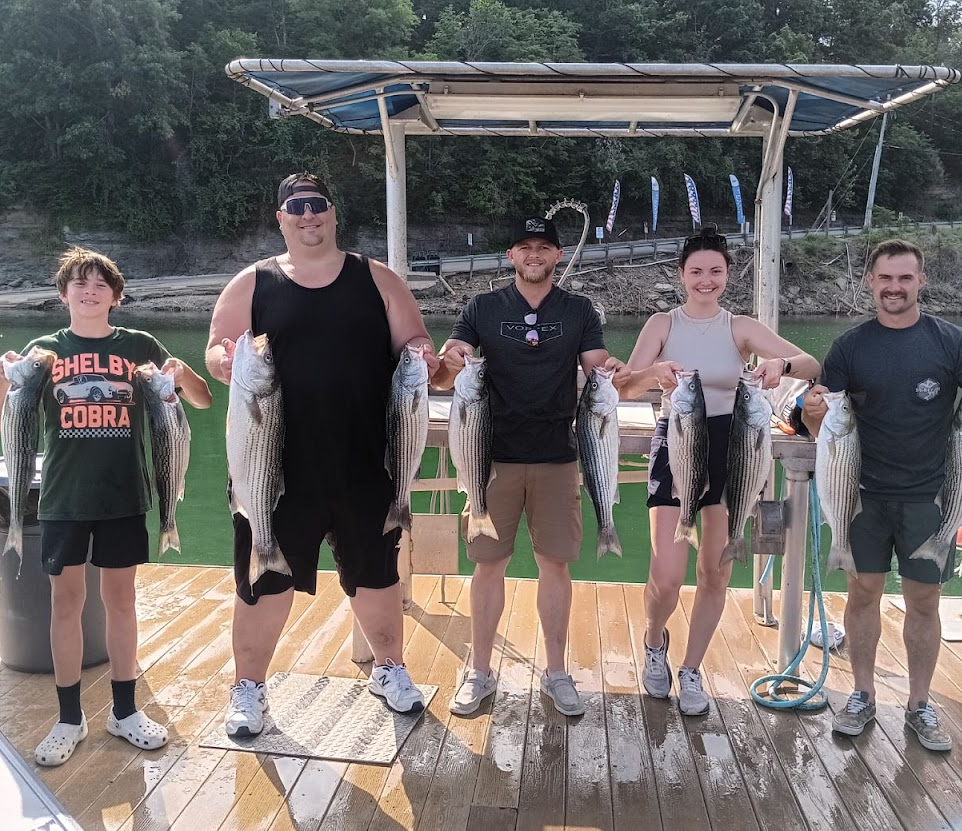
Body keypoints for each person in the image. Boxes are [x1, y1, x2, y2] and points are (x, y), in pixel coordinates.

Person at [205, 172, 439, 735]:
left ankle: (390, 669)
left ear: (334, 214)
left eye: (318, 205)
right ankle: (250, 689)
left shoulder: (375, 277)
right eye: (296, 207)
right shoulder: (252, 283)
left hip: (367, 463)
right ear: (281, 218)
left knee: (377, 575)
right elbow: (218, 346)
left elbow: (414, 339)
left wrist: (423, 353)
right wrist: (220, 358)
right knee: (264, 582)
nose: (308, 215)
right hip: (273, 469)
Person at [0, 247, 212, 766]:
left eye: (100, 284)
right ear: (63, 294)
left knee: (121, 600)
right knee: (66, 604)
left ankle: (124, 711)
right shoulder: (41, 351)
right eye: (78, 284)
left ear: (115, 295)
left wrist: (180, 373)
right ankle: (69, 719)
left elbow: (200, 400)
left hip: (125, 494)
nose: (89, 291)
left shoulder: (139, 345)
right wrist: (0, 374)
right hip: (63, 496)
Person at [801, 237, 962, 752]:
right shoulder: (850, 347)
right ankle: (863, 694)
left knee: (924, 601)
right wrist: (811, 414)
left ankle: (920, 704)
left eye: (905, 278)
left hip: (930, 499)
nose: (894, 287)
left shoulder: (952, 343)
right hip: (861, 497)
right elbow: (822, 426)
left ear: (921, 281)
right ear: (870, 281)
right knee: (862, 595)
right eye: (885, 278)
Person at [617, 226, 820, 716]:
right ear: (681, 275)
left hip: (733, 445)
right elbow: (624, 386)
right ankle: (654, 643)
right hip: (678, 441)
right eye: (696, 271)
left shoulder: (741, 327)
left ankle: (691, 669)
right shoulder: (661, 324)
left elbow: (812, 363)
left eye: (715, 271)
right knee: (666, 574)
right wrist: (652, 375)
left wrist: (781, 367)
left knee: (716, 570)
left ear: (727, 275)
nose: (705, 280)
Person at [432, 215, 629, 719]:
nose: (534, 255)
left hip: (558, 457)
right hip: (488, 458)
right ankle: (479, 670)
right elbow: (452, 360)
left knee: (554, 565)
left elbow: (598, 365)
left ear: (557, 256)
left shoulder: (579, 310)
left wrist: (618, 371)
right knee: (488, 564)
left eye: (544, 247)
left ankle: (557, 672)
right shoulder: (482, 307)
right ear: (511, 256)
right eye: (525, 247)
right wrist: (451, 359)